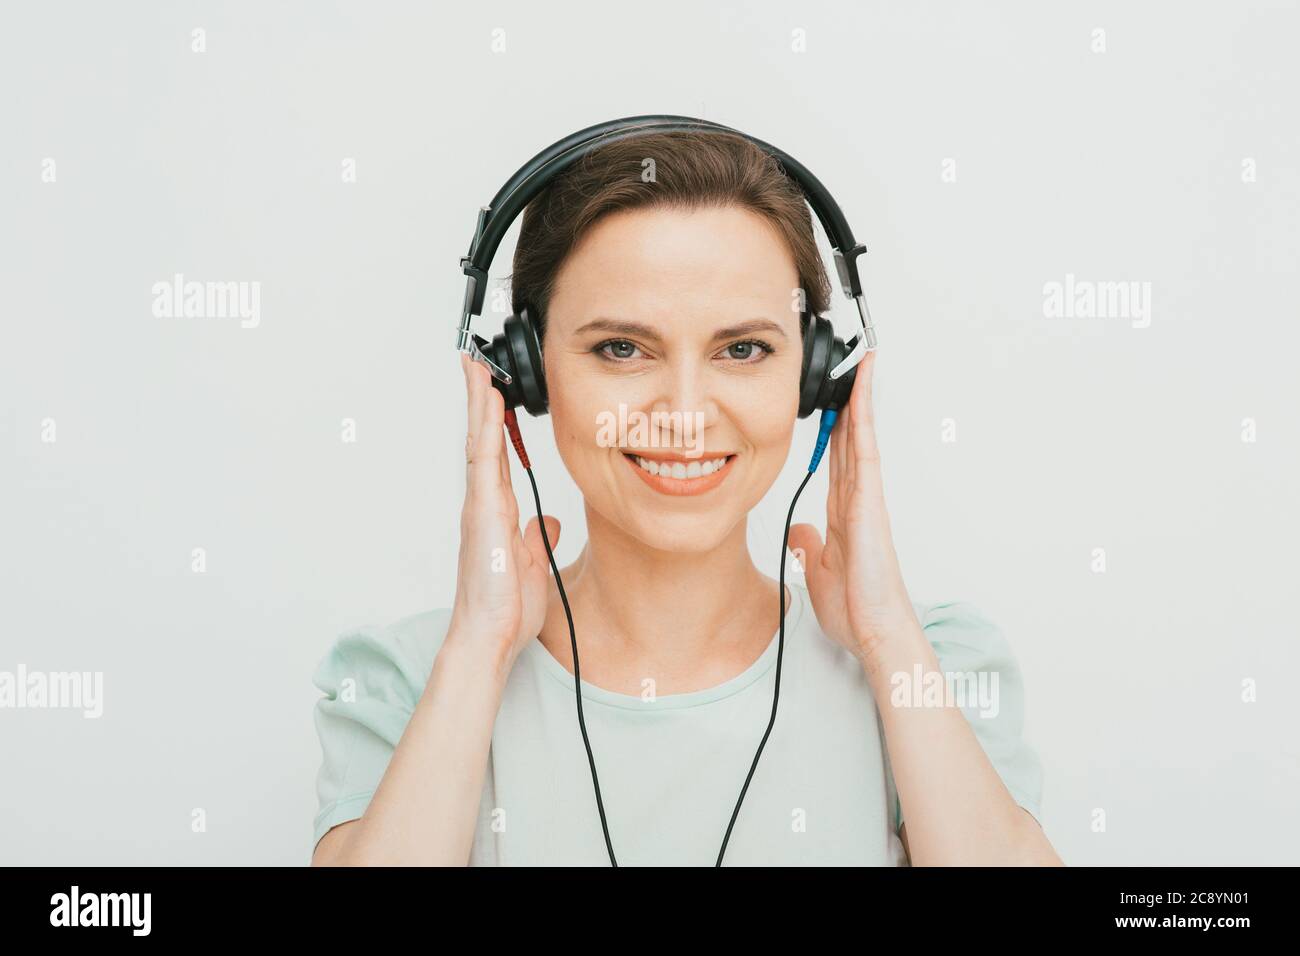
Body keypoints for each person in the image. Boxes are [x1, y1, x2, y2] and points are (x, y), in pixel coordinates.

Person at [309, 130, 1063, 866]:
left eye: (743, 349)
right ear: (523, 376)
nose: (684, 412)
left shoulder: (927, 666)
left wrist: (889, 635)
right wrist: (479, 648)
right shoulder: (407, 680)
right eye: (622, 348)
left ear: (818, 375)